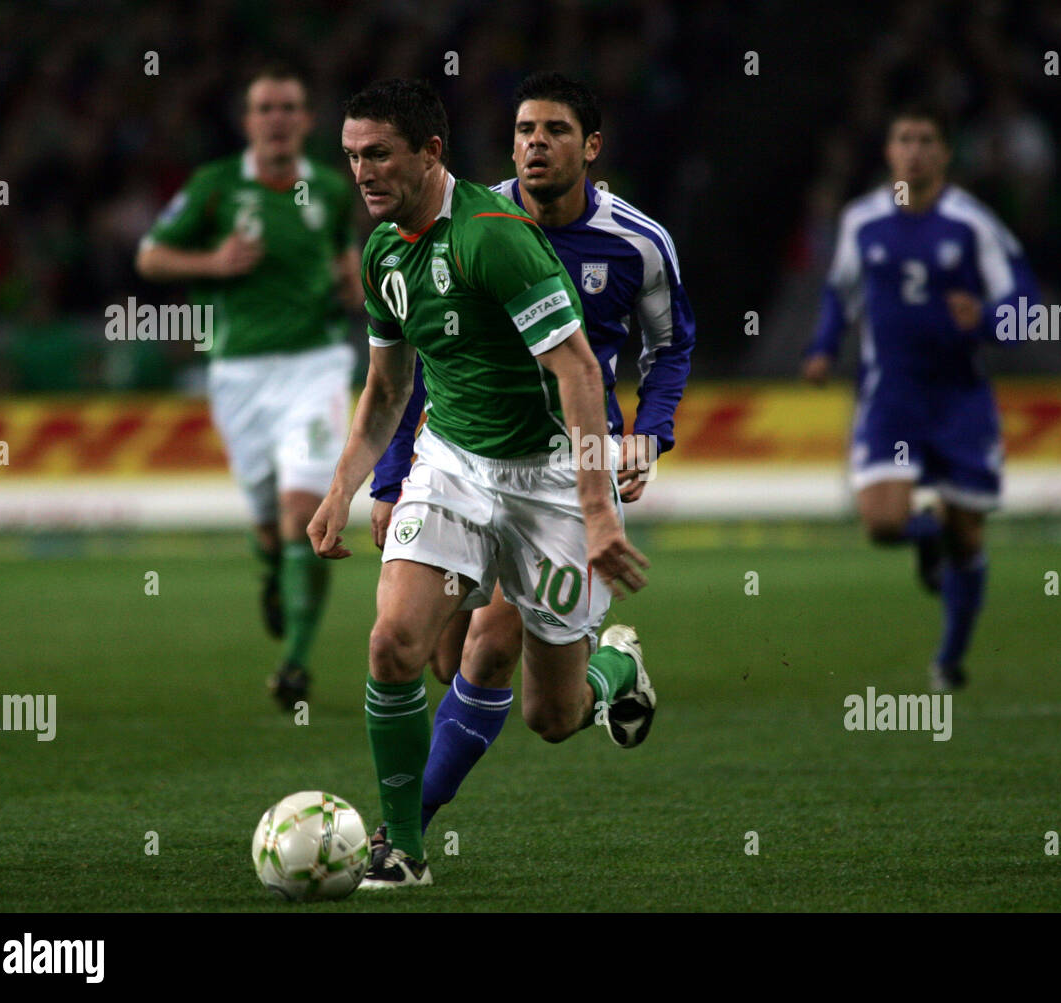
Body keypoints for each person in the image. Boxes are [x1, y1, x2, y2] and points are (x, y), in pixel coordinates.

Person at [309, 78, 654, 889]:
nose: (362, 171)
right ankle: (403, 851)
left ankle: (615, 668)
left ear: (432, 153)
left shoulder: (494, 237)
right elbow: (387, 388)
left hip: (551, 480)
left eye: (379, 153)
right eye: (353, 155)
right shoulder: (382, 250)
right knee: (396, 643)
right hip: (456, 461)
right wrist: (340, 490)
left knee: (554, 716)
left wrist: (600, 517)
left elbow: (575, 372)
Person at [368, 72, 694, 835]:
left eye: (552, 131)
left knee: (502, 666)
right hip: (462, 462)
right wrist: (387, 477)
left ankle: (400, 835)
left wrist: (651, 431)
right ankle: (614, 667)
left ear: (592, 147)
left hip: (559, 467)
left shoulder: (637, 244)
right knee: (450, 664)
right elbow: (423, 359)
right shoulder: (467, 224)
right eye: (522, 131)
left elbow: (670, 345)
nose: (533, 144)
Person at [135, 65, 359, 709]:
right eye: (265, 108)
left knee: (301, 515)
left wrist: (355, 290)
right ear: (248, 122)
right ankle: (272, 573)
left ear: (307, 120)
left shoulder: (329, 192)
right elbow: (150, 255)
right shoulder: (214, 187)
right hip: (238, 375)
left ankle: (294, 666)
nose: (278, 118)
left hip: (315, 366)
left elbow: (347, 268)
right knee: (270, 529)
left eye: (289, 107)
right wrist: (212, 262)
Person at [801, 107, 1038, 691]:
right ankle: (923, 537)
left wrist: (986, 320)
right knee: (882, 523)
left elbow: (1025, 305)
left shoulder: (972, 224)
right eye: (903, 139)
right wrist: (824, 348)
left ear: (945, 154)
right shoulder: (862, 220)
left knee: (969, 535)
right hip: (892, 399)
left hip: (959, 401)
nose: (914, 151)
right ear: (888, 152)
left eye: (926, 140)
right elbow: (840, 293)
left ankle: (950, 659)